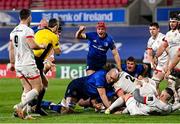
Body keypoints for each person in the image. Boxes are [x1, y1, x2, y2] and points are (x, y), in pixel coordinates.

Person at [8, 9, 46, 119]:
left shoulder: (13, 31)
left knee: (27, 88)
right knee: (38, 87)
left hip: (18, 64)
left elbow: (10, 49)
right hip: (28, 63)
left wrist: (12, 63)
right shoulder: (28, 30)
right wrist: (42, 46)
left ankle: (23, 113)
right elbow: (33, 45)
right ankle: (19, 106)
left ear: (20, 17)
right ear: (29, 17)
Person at [33, 18, 61, 115]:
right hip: (37, 61)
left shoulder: (38, 32)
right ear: (56, 26)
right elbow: (58, 52)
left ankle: (35, 106)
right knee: (40, 85)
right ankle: (25, 106)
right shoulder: (53, 36)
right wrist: (57, 41)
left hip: (30, 59)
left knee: (39, 83)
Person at [153, 14, 180, 103]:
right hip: (174, 62)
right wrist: (156, 56)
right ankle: (176, 101)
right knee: (174, 84)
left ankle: (173, 102)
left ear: (178, 22)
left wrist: (169, 68)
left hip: (178, 62)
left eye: (174, 22)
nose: (172, 23)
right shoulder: (168, 34)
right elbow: (163, 46)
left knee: (172, 82)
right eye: (171, 22)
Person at [109, 87, 180, 115]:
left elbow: (138, 98)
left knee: (126, 96)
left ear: (163, 95)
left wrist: (137, 87)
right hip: (144, 112)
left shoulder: (153, 100)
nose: (160, 93)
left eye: (162, 92)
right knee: (123, 110)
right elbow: (176, 107)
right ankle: (118, 112)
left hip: (136, 111)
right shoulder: (169, 109)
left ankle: (108, 109)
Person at [146, 22, 168, 91]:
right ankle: (158, 100)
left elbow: (170, 53)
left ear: (158, 29)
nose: (151, 31)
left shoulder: (163, 38)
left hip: (167, 65)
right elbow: (149, 54)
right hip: (159, 66)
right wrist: (152, 64)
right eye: (150, 29)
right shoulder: (150, 40)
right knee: (154, 85)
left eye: (153, 29)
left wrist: (168, 65)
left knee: (169, 86)